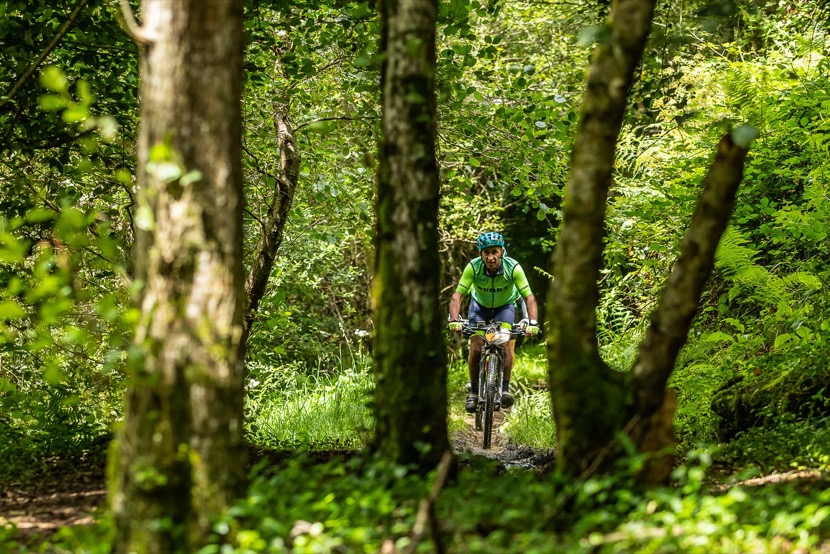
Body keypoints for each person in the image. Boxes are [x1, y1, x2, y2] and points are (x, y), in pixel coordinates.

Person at [448, 231, 539, 412]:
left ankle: (504, 390)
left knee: (504, 345)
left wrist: (533, 323)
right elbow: (457, 296)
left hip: (504, 308)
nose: (490, 257)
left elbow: (528, 297)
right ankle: (474, 392)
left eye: (494, 252)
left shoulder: (513, 268)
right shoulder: (473, 267)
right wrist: (454, 319)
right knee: (476, 347)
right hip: (479, 307)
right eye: (486, 252)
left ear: (502, 252)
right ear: (481, 254)